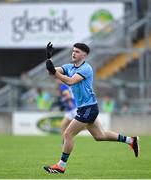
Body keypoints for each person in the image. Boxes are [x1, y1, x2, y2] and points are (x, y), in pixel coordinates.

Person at [43, 42, 139, 174]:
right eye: (73, 50)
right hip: (86, 108)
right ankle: (131, 140)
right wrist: (49, 58)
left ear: (85, 55)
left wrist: (53, 71)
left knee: (68, 134)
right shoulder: (69, 67)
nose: (73, 53)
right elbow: (51, 72)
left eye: (77, 51)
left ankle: (61, 166)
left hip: (89, 108)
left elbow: (70, 81)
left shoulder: (86, 68)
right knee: (100, 135)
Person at [55, 78, 77, 142]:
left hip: (72, 109)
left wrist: (63, 100)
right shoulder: (65, 86)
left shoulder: (63, 86)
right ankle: (64, 141)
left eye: (57, 79)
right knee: (64, 125)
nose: (56, 80)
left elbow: (68, 96)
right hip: (70, 110)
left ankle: (66, 141)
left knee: (66, 126)